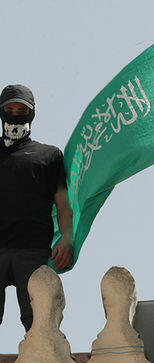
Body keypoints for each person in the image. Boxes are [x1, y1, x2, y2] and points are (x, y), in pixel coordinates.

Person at [0, 84, 74, 332]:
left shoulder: (49, 156)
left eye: (21, 109)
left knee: (39, 323)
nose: (14, 114)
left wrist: (67, 238)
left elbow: (63, 204)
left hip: (32, 250)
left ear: (32, 113)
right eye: (9, 109)